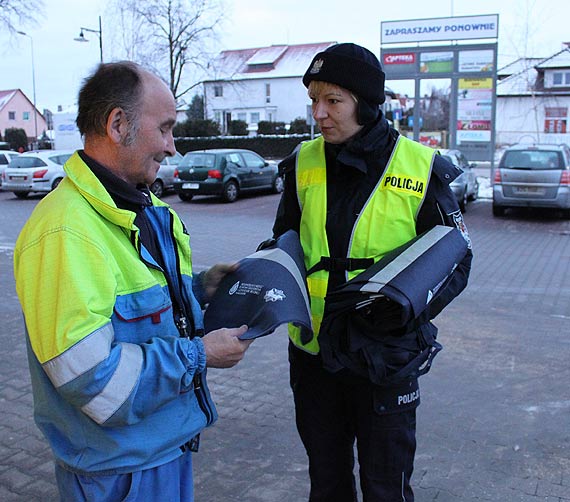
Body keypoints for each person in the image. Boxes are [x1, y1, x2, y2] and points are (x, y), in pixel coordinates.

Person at [13, 61, 253, 502]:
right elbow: (95, 383)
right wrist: (199, 355)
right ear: (118, 124)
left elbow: (140, 312)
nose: (173, 147)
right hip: (119, 475)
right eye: (164, 129)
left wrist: (201, 290)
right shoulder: (66, 231)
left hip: (158, 454)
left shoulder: (140, 209)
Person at [271, 43, 472, 501]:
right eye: (314, 100)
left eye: (333, 100)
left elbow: (456, 258)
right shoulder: (303, 162)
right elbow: (285, 240)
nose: (319, 113)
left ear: (366, 102)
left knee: (386, 488)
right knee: (327, 484)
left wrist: (403, 311)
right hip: (313, 356)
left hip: (384, 359)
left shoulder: (420, 167)